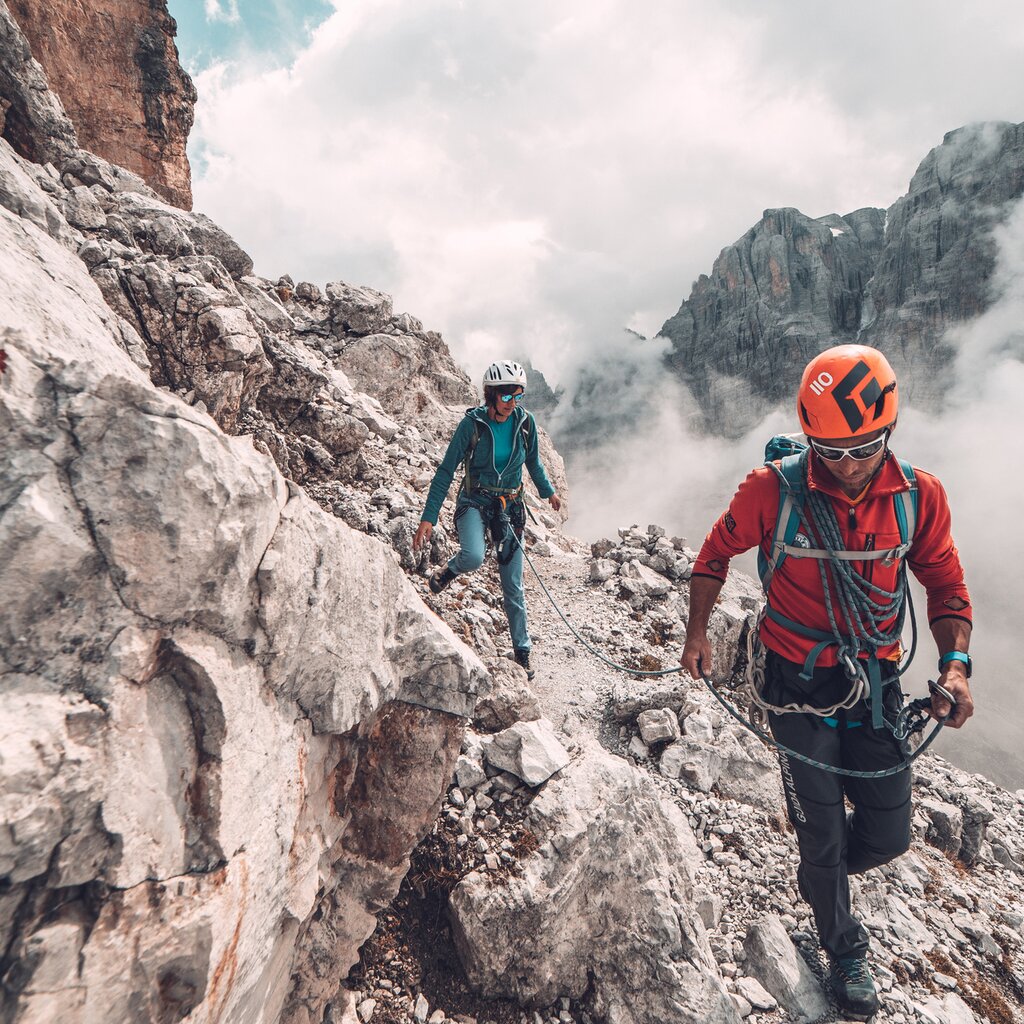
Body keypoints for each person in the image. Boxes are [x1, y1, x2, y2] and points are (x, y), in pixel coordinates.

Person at [680, 344, 973, 1020]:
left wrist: (956, 669)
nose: (845, 465)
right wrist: (697, 635)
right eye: (830, 450)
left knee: (889, 836)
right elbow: (714, 555)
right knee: (824, 837)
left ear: (889, 430)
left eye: (863, 448)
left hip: (876, 687)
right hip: (793, 686)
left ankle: (822, 876)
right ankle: (844, 946)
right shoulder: (771, 491)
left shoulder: (918, 498)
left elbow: (947, 587)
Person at [413, 360, 561, 680]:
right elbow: (445, 471)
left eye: (518, 395)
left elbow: (533, 462)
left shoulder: (525, 423)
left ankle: (522, 652)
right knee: (474, 556)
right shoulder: (473, 425)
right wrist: (429, 517)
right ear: (491, 394)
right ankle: (450, 570)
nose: (512, 403)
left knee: (513, 583)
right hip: (475, 502)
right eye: (506, 396)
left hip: (510, 506)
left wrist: (549, 492)